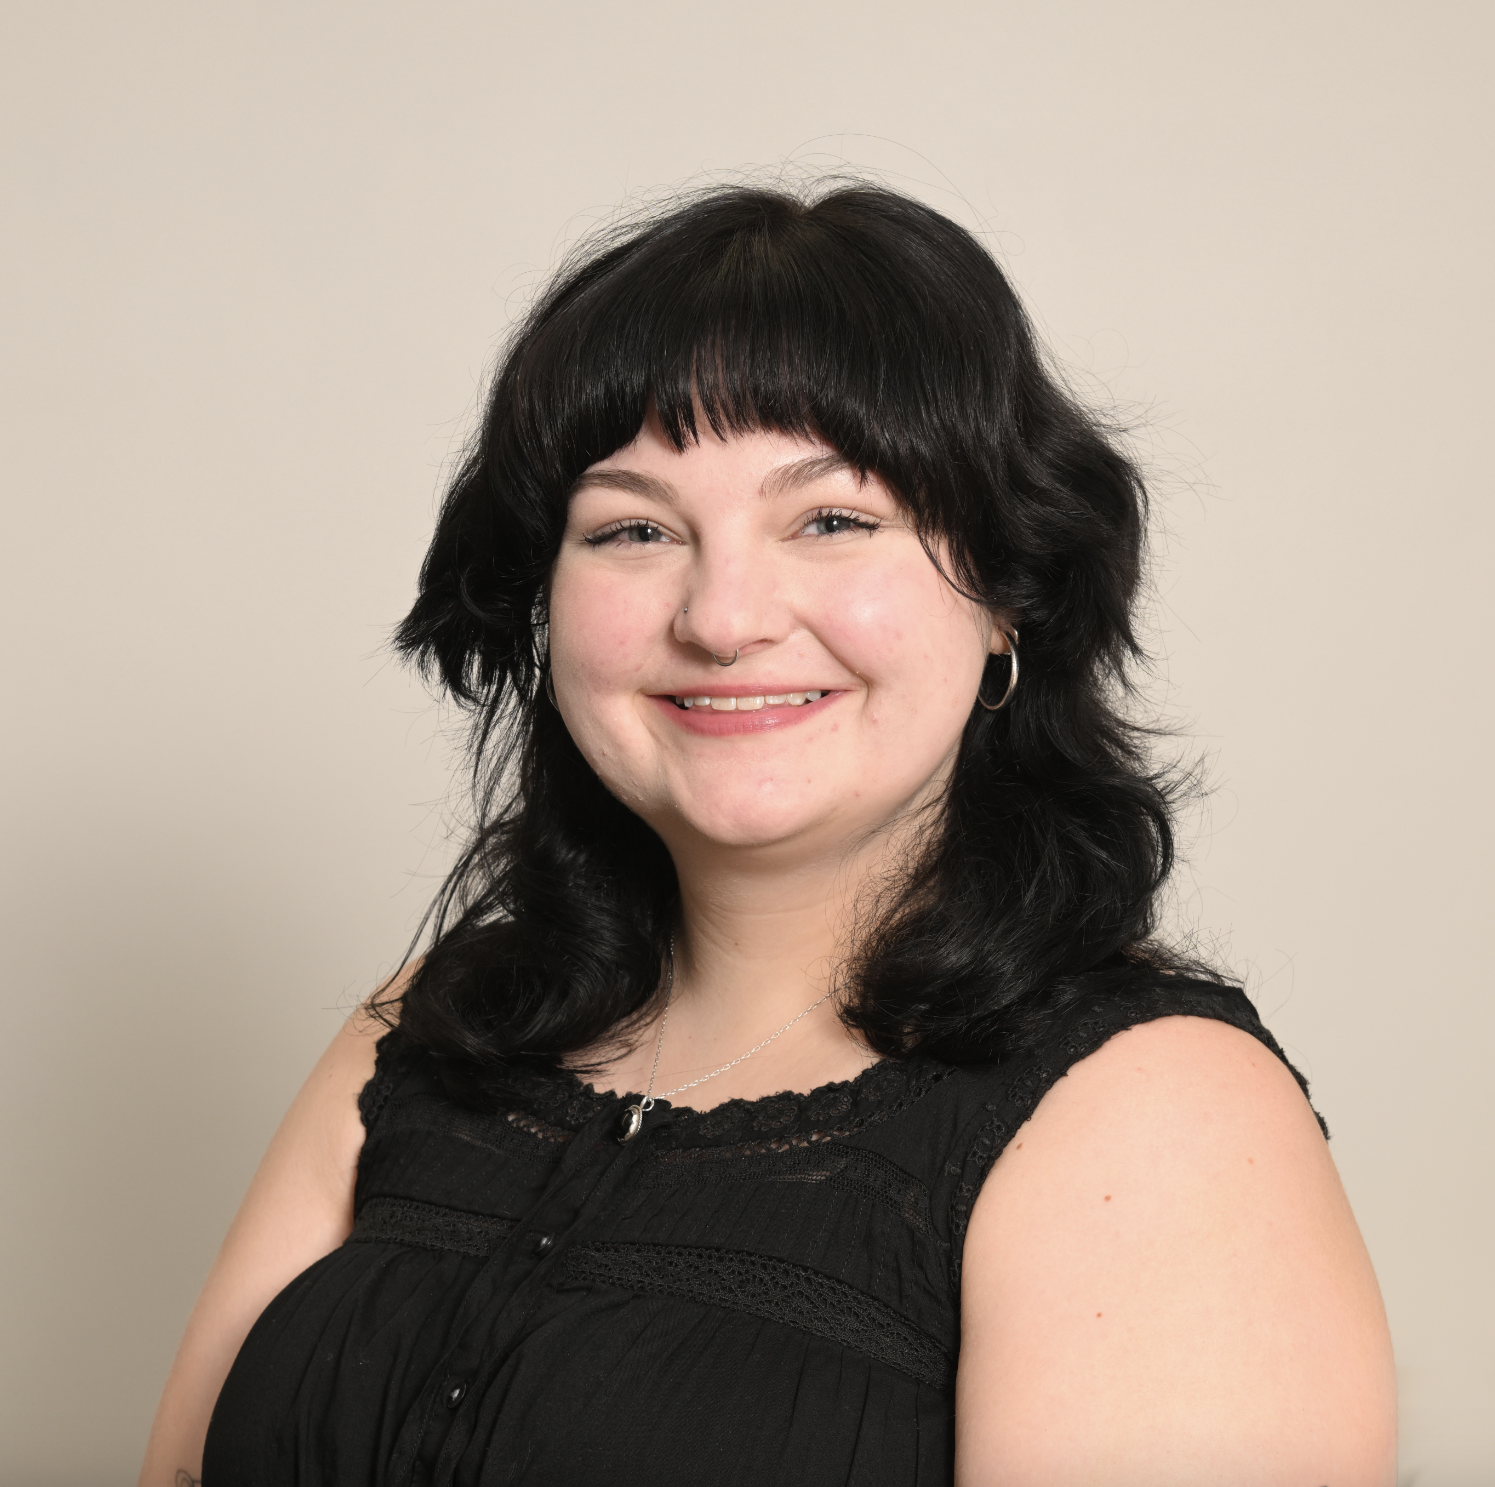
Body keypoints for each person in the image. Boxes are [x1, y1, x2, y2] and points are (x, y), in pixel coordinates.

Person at [139, 183, 1396, 1486]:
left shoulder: (1155, 1119)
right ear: (540, 607)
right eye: (632, 528)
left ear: (1010, 595)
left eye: (832, 519)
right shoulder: (425, 1028)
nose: (723, 615)